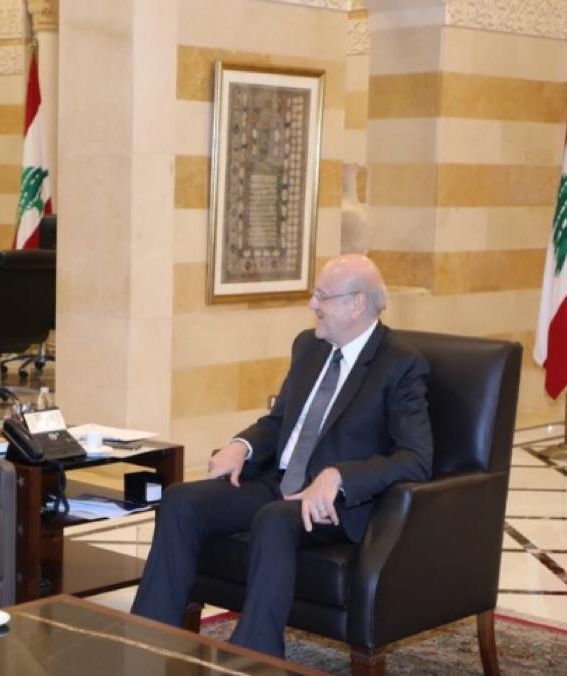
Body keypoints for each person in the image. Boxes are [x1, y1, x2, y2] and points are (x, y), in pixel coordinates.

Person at [131, 254, 433, 657]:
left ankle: (254, 657)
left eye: (322, 296)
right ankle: (147, 644)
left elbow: (415, 458)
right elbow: (278, 423)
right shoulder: (309, 346)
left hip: (334, 506)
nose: (312, 304)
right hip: (278, 483)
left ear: (356, 304)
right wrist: (242, 445)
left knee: (274, 519)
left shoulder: (400, 364)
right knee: (181, 500)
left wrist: (340, 477)